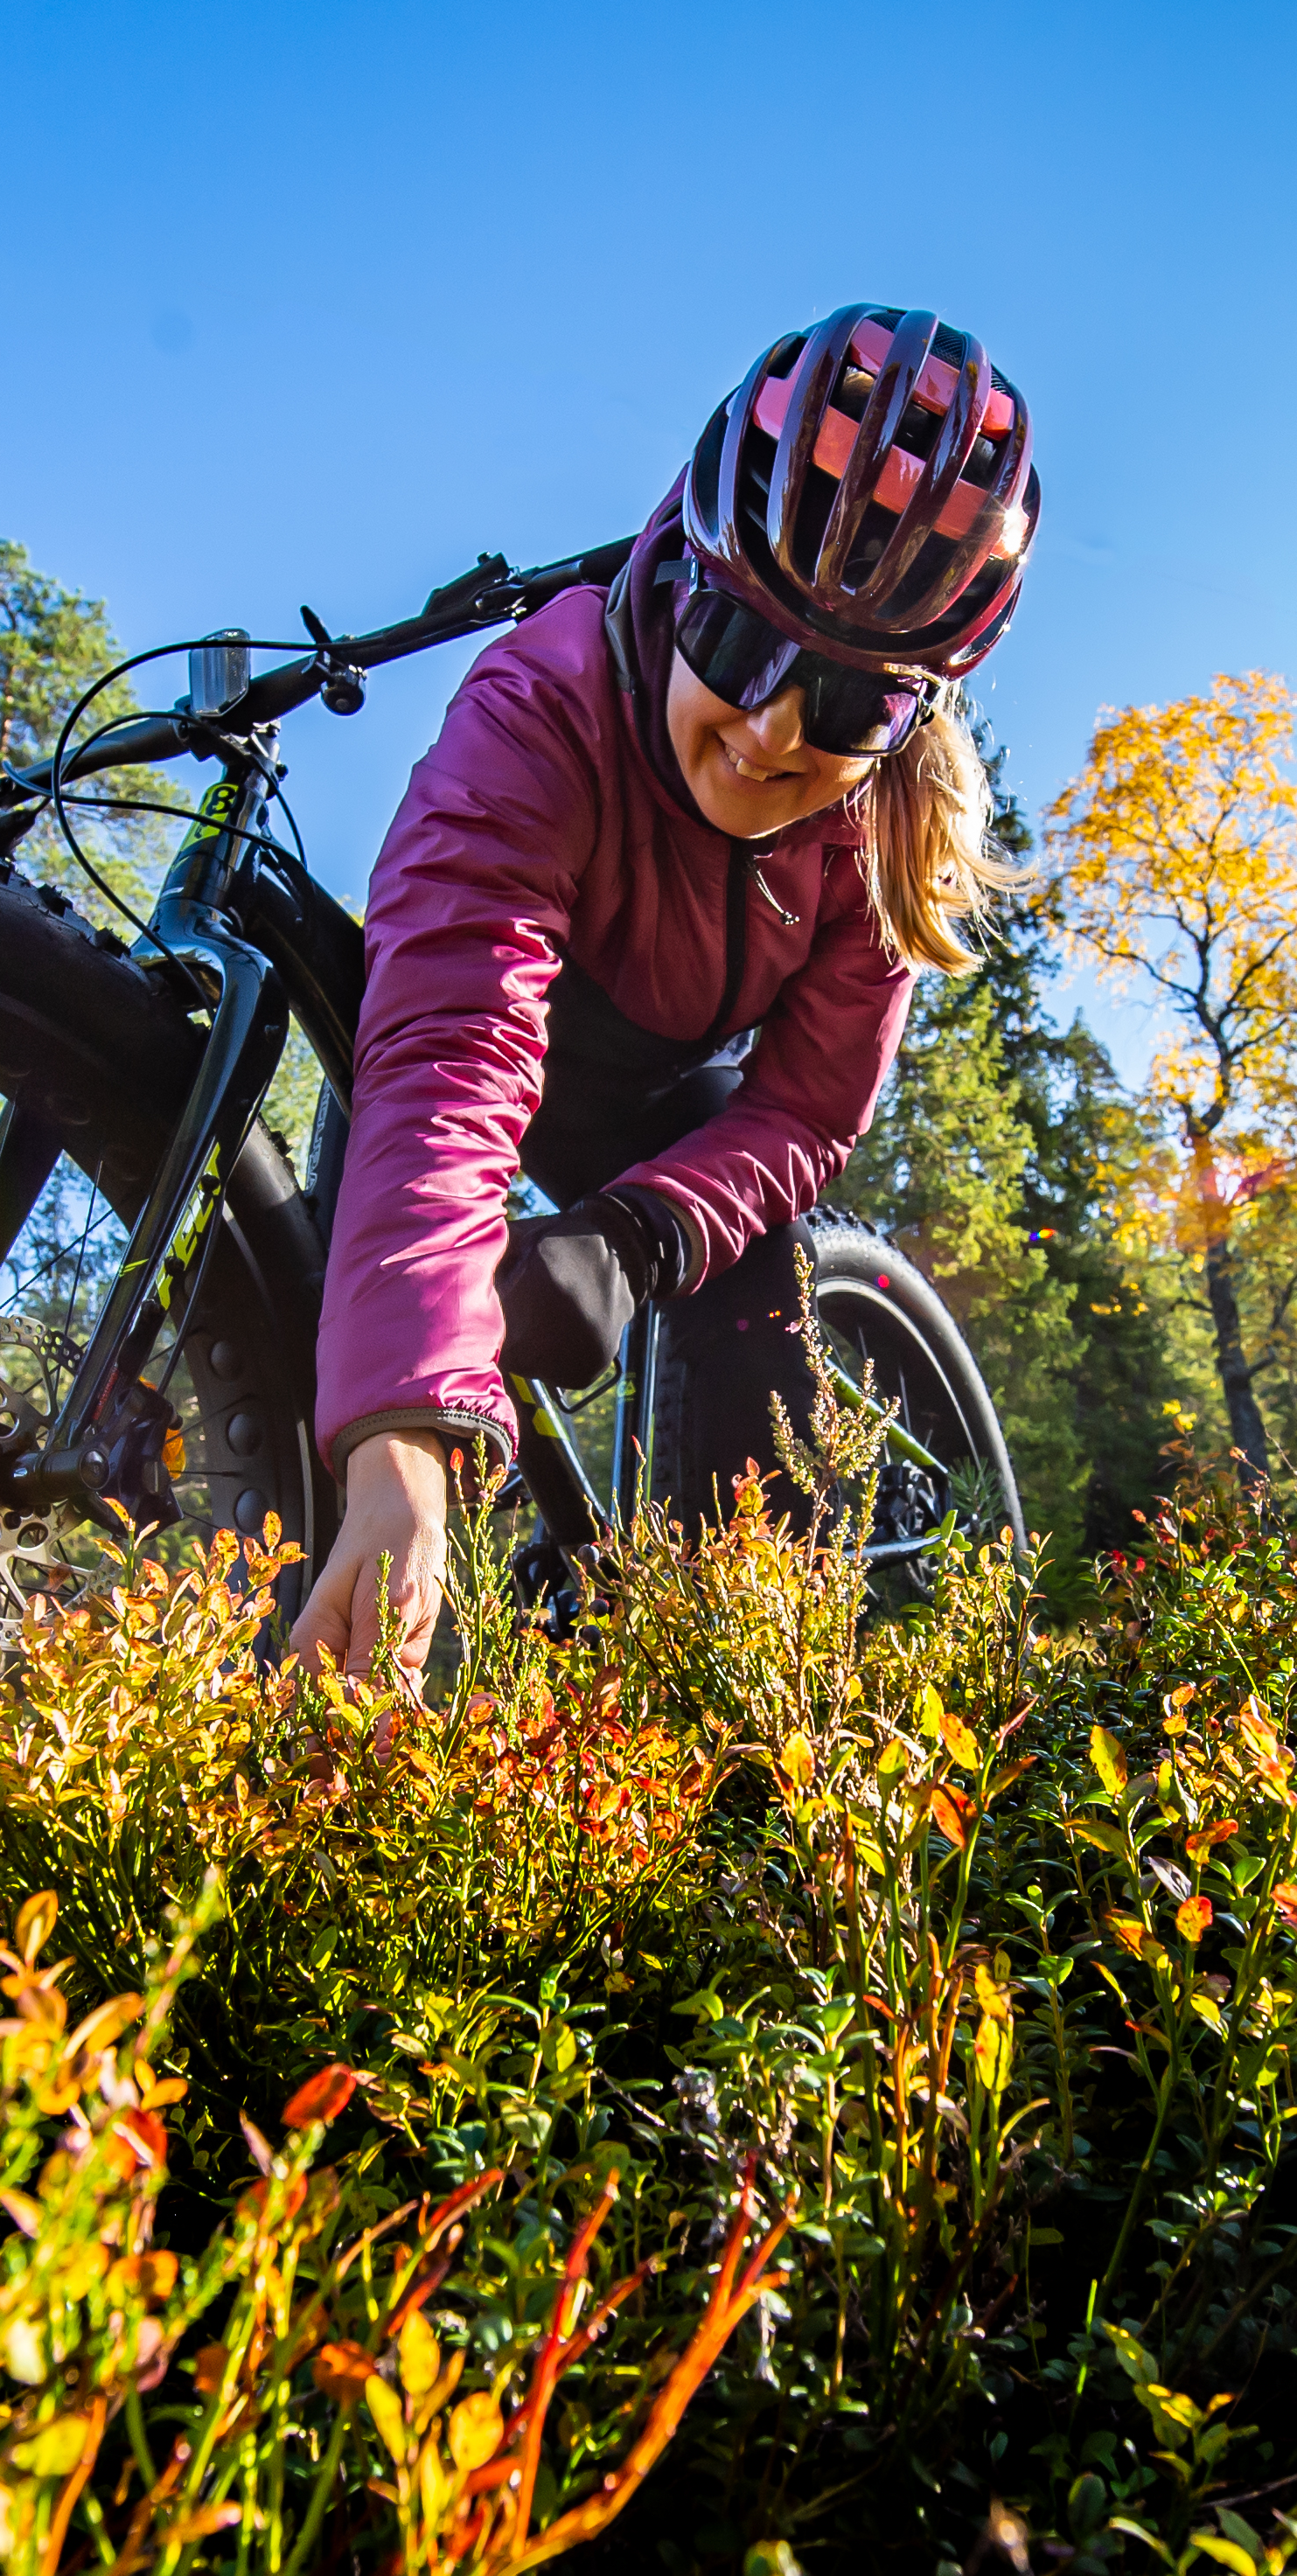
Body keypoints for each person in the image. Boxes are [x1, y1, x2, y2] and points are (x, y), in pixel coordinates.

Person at [282, 304, 1042, 1681]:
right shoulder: (539, 702)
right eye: (740, 646)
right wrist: (402, 1431)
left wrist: (640, 1239)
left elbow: (812, 1106)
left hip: (656, 1100)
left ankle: (746, 1703)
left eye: (847, 704)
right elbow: (452, 1052)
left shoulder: (885, 832)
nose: (765, 733)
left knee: (758, 1288)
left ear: (915, 716)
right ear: (680, 572)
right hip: (488, 1050)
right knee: (340, 1355)